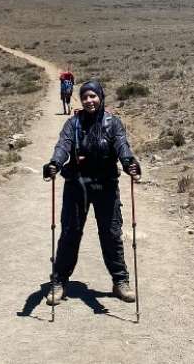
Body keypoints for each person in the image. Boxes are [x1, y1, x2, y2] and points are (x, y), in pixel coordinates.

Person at [43, 80, 141, 306]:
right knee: (70, 233)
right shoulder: (73, 124)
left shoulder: (113, 123)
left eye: (93, 96)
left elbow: (122, 146)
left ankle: (120, 282)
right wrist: (55, 164)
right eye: (85, 97)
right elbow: (63, 146)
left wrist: (129, 164)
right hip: (77, 185)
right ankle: (59, 281)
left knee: (111, 234)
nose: (89, 101)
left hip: (105, 185)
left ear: (100, 97)